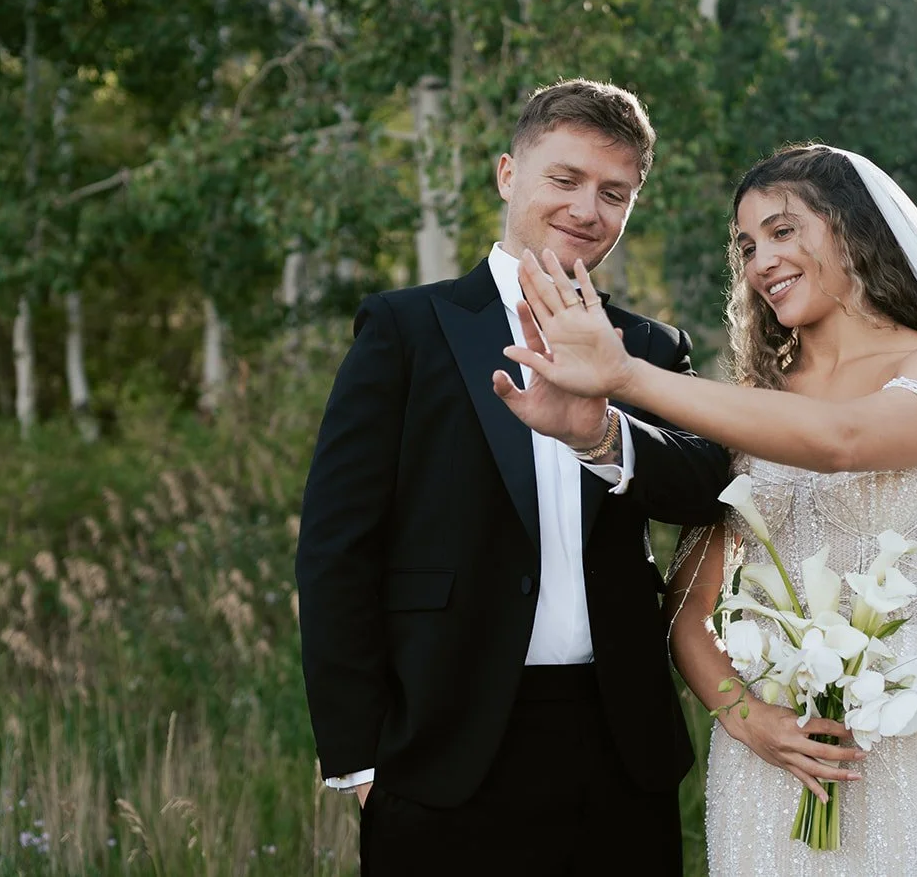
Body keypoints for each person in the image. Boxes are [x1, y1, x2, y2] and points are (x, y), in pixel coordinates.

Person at [495, 143, 917, 876]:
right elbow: (687, 603)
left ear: (855, 231)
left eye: (783, 230)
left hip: (910, 762)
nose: (761, 260)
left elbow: (843, 441)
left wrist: (626, 375)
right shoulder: (755, 404)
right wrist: (746, 715)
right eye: (747, 244)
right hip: (769, 771)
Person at [296, 78, 732, 876]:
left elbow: (707, 486)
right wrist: (358, 761)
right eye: (564, 180)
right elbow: (336, 546)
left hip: (618, 744)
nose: (587, 209)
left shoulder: (653, 346)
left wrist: (605, 433)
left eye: (614, 192)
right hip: (443, 744)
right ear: (508, 174)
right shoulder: (407, 328)